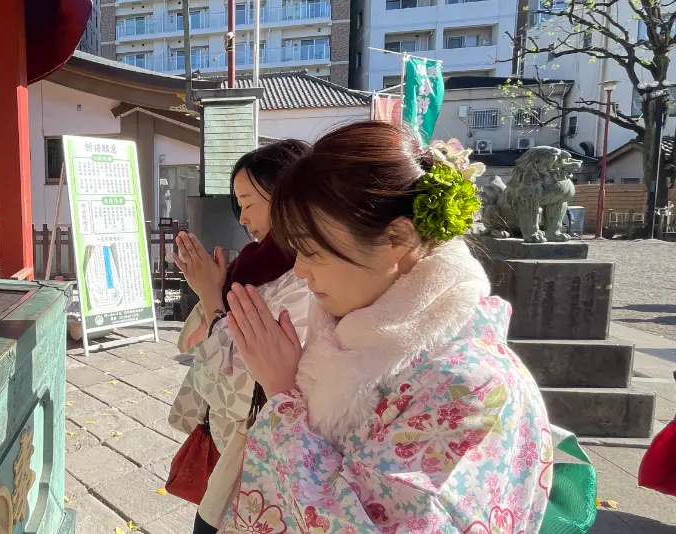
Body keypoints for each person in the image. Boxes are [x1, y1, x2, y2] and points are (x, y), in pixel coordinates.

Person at [221, 121, 552, 533]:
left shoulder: (470, 383)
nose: (301, 271)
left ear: (397, 236)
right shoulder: (356, 337)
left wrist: (284, 399)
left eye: (310, 250)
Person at [168, 140, 312, 534]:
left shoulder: (309, 275)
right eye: (239, 205)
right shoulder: (257, 265)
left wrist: (213, 298)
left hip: (272, 458)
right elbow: (192, 346)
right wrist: (210, 295)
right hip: (239, 449)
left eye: (249, 202)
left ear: (288, 193)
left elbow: (244, 381)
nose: (243, 218)